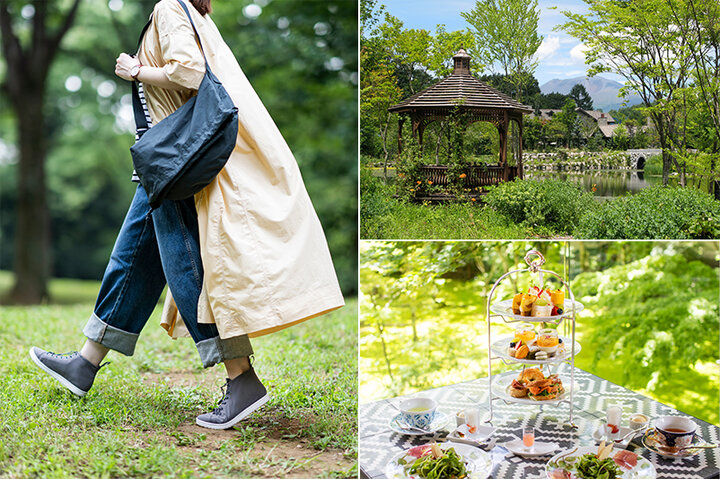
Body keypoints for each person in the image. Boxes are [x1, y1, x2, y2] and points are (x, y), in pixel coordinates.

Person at [28, 0, 344, 430]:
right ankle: (86, 362)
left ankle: (241, 377)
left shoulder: (168, 8)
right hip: (164, 161)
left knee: (186, 265)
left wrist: (135, 70)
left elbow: (189, 72)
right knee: (132, 259)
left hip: (178, 160)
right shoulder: (192, 13)